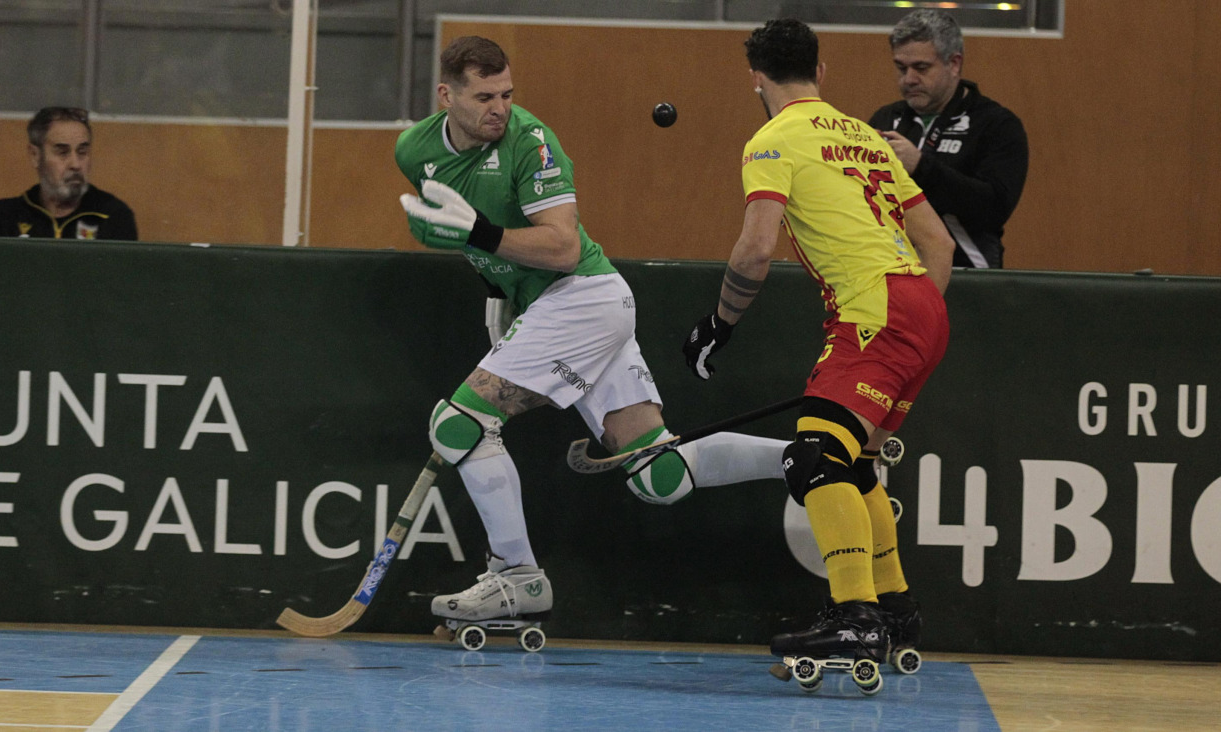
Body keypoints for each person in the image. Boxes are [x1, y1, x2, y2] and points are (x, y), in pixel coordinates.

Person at [396, 36, 789, 631]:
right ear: (446, 96)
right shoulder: (413, 149)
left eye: (506, 93)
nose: (499, 108)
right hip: (554, 309)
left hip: (581, 299)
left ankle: (516, 576)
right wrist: (499, 293)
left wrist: (480, 235)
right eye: (483, 97)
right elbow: (454, 230)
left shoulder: (532, 142)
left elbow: (562, 245)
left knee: (459, 422)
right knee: (659, 475)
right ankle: (809, 458)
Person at [681, 19, 954, 683]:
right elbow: (938, 244)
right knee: (853, 465)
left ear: (758, 81)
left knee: (813, 456)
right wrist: (917, 321)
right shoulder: (864, 133)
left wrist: (719, 324)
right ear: (821, 72)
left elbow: (755, 248)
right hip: (924, 305)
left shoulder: (772, 141)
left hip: (873, 310)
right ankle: (893, 611)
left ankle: (854, 615)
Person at [867, 9, 1027, 269]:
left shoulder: (996, 124)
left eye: (921, 68)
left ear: (954, 64)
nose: (908, 79)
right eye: (900, 68)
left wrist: (920, 167)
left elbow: (994, 208)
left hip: (967, 278)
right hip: (893, 275)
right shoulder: (885, 119)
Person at [0, 107, 138, 241]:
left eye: (82, 152)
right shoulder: (3, 216)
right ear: (35, 156)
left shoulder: (113, 215)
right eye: (62, 153)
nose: (75, 165)